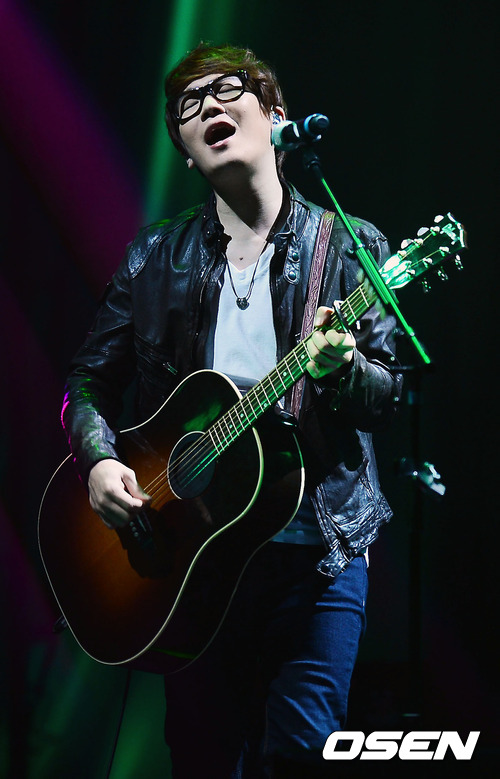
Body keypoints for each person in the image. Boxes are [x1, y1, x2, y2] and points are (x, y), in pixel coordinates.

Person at [62, 43, 402, 778]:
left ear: (276, 115)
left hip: (317, 557)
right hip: (193, 562)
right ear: (185, 152)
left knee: (303, 758)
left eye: (227, 89)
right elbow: (87, 381)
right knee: (203, 762)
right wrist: (99, 461)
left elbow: (392, 394)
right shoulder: (154, 258)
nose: (209, 106)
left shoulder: (349, 247)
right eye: (189, 104)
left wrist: (344, 369)